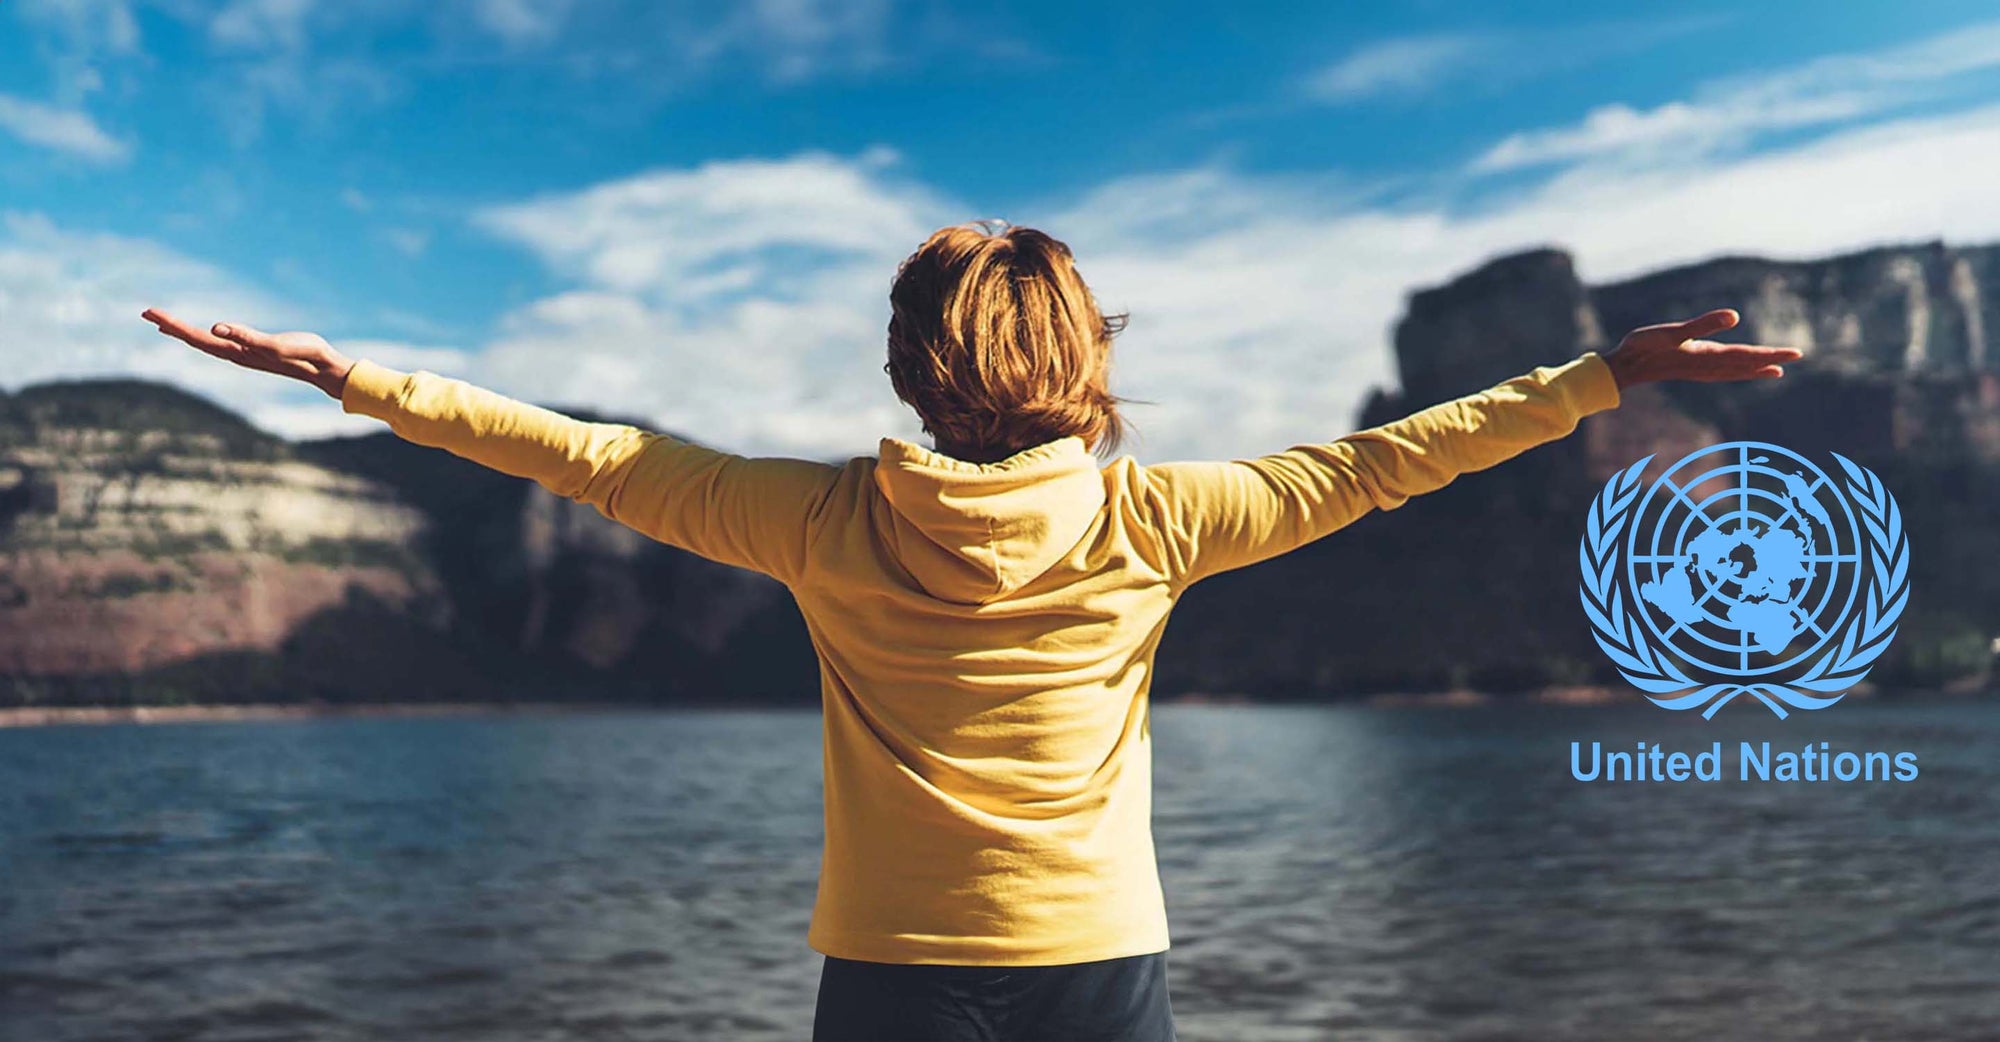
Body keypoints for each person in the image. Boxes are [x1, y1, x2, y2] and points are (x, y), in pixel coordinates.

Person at [143, 221, 1800, 1041]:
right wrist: (1601, 377)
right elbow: (1389, 461)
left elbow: (572, 450)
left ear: (906, 371)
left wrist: (346, 375)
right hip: (1099, 963)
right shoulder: (1165, 517)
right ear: (1085, 362)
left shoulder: (814, 519)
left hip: (889, 971)